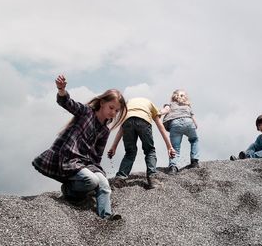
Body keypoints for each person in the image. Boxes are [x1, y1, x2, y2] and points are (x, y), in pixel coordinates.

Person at [32, 75, 127, 221]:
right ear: (102, 103)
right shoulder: (86, 112)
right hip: (68, 158)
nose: (113, 113)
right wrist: (61, 89)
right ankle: (69, 191)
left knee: (104, 184)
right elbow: (67, 103)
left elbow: (96, 157)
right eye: (111, 107)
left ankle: (106, 216)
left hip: (85, 163)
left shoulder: (105, 131)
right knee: (91, 181)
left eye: (116, 111)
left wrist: (98, 172)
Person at [107, 97, 176, 189]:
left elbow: (122, 129)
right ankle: (153, 179)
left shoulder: (128, 105)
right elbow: (160, 126)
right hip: (143, 121)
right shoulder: (149, 104)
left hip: (127, 122)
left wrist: (113, 147)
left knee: (129, 153)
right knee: (149, 151)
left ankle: (119, 179)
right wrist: (169, 146)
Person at [160, 89, 200, 175]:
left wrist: (159, 113)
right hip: (188, 122)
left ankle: (173, 167)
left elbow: (165, 110)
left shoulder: (170, 104)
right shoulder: (187, 106)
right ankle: (194, 162)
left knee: (175, 147)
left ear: (173, 97)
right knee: (194, 140)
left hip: (175, 124)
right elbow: (192, 117)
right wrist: (195, 124)